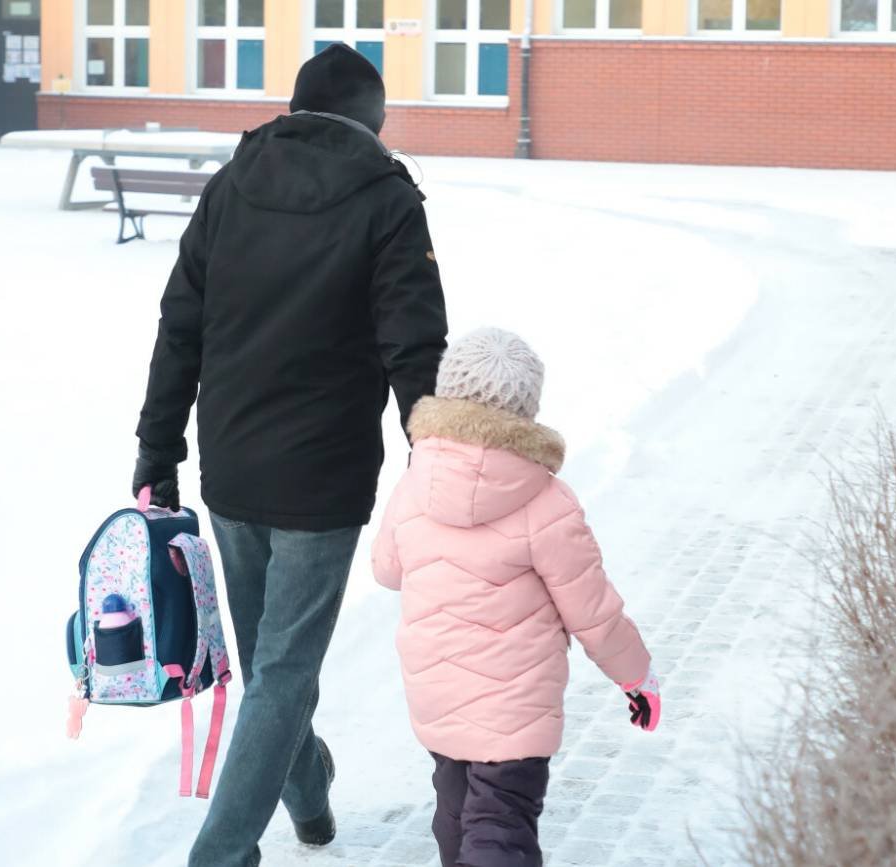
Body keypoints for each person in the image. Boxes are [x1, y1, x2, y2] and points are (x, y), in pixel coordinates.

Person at [132, 44, 448, 867]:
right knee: (280, 673)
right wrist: (437, 452)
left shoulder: (232, 184)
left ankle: (307, 792)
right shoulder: (387, 199)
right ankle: (223, 852)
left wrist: (158, 448)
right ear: (372, 119)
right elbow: (414, 345)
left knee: (276, 670)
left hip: (232, 463)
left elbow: (179, 328)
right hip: (322, 478)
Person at [371, 328, 661, 867]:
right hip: (516, 710)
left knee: (456, 817)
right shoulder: (548, 501)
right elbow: (594, 614)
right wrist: (636, 677)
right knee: (500, 829)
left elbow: (386, 570)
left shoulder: (417, 481)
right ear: (525, 408)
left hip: (437, 696)